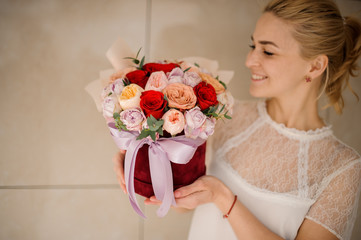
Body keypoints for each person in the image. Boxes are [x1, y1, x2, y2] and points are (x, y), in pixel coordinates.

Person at [113, 0, 361, 239]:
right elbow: (184, 201)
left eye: (268, 51)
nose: (249, 60)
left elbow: (214, 195)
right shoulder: (226, 116)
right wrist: (139, 156)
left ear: (315, 66)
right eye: (253, 46)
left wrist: (224, 199)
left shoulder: (342, 168)